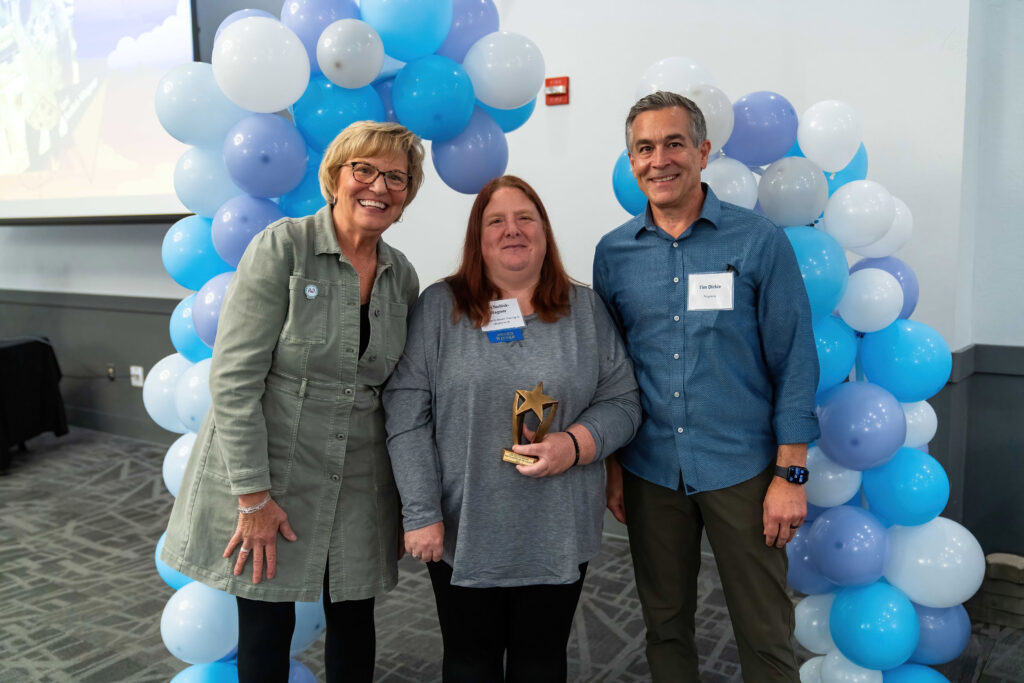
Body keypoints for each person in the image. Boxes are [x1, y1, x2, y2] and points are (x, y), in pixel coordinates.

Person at [162, 121, 425, 682]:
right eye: (364, 170)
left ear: (407, 195)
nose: (378, 186)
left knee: (355, 620)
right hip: (270, 470)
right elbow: (234, 382)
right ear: (336, 177)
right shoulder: (283, 247)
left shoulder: (402, 277)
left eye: (396, 178)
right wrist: (253, 498)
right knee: (266, 627)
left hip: (357, 474)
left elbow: (399, 392)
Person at [593, 91, 820, 682]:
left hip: (743, 471)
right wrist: (615, 469)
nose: (658, 160)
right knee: (665, 627)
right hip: (649, 472)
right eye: (644, 148)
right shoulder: (613, 254)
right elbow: (611, 373)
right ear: (630, 159)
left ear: (702, 150)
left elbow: (795, 359)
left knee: (764, 629)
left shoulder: (757, 240)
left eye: (673, 143)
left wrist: (790, 474)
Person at [384, 175, 641, 683]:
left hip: (557, 529)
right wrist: (420, 512)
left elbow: (624, 400)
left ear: (545, 232)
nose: (512, 230)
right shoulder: (440, 308)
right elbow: (406, 416)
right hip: (463, 528)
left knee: (541, 661)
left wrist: (575, 444)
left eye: (526, 218)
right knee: (469, 661)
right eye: (495, 221)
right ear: (477, 240)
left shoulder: (585, 309)